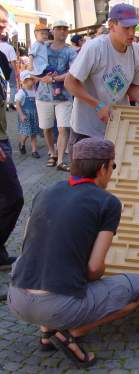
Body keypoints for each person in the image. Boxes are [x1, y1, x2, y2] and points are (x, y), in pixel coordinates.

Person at [8, 138, 139, 368]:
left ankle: (46, 334)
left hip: (16, 297)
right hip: (58, 306)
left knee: (45, 265)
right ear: (102, 168)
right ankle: (71, 334)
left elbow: (27, 247)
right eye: (112, 167)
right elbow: (95, 269)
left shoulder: (44, 191)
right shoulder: (108, 202)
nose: (112, 173)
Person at [65, 3, 139, 153]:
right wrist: (97, 104)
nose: (132, 33)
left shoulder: (137, 51)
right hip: (87, 129)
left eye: (134, 27)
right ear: (112, 25)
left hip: (117, 125)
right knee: (87, 176)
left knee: (115, 173)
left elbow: (132, 86)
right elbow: (70, 82)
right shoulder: (95, 47)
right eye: (126, 28)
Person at [34, 20, 77, 172]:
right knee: (46, 128)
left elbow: (72, 72)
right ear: (53, 30)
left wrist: (53, 79)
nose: (63, 32)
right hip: (43, 96)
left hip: (64, 96)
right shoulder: (42, 47)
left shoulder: (70, 51)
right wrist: (40, 77)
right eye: (59, 29)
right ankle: (52, 152)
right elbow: (33, 66)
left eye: (65, 29)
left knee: (63, 128)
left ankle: (59, 160)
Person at [0, 4, 23, 270]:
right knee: (13, 197)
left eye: (4, 21)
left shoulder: (2, 57)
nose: (3, 25)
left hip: (4, 136)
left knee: (10, 198)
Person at [15, 70, 41, 158]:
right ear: (25, 81)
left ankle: (34, 150)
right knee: (26, 133)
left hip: (34, 116)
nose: (33, 81)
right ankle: (22, 143)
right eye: (31, 80)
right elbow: (17, 105)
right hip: (25, 116)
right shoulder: (21, 92)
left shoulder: (34, 90)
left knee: (33, 133)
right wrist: (21, 115)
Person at [0, 34, 17, 110]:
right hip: (9, 65)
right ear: (7, 38)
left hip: (1, 67)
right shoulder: (10, 47)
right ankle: (11, 102)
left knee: (3, 85)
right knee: (13, 85)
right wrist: (15, 71)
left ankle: (4, 102)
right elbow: (13, 61)